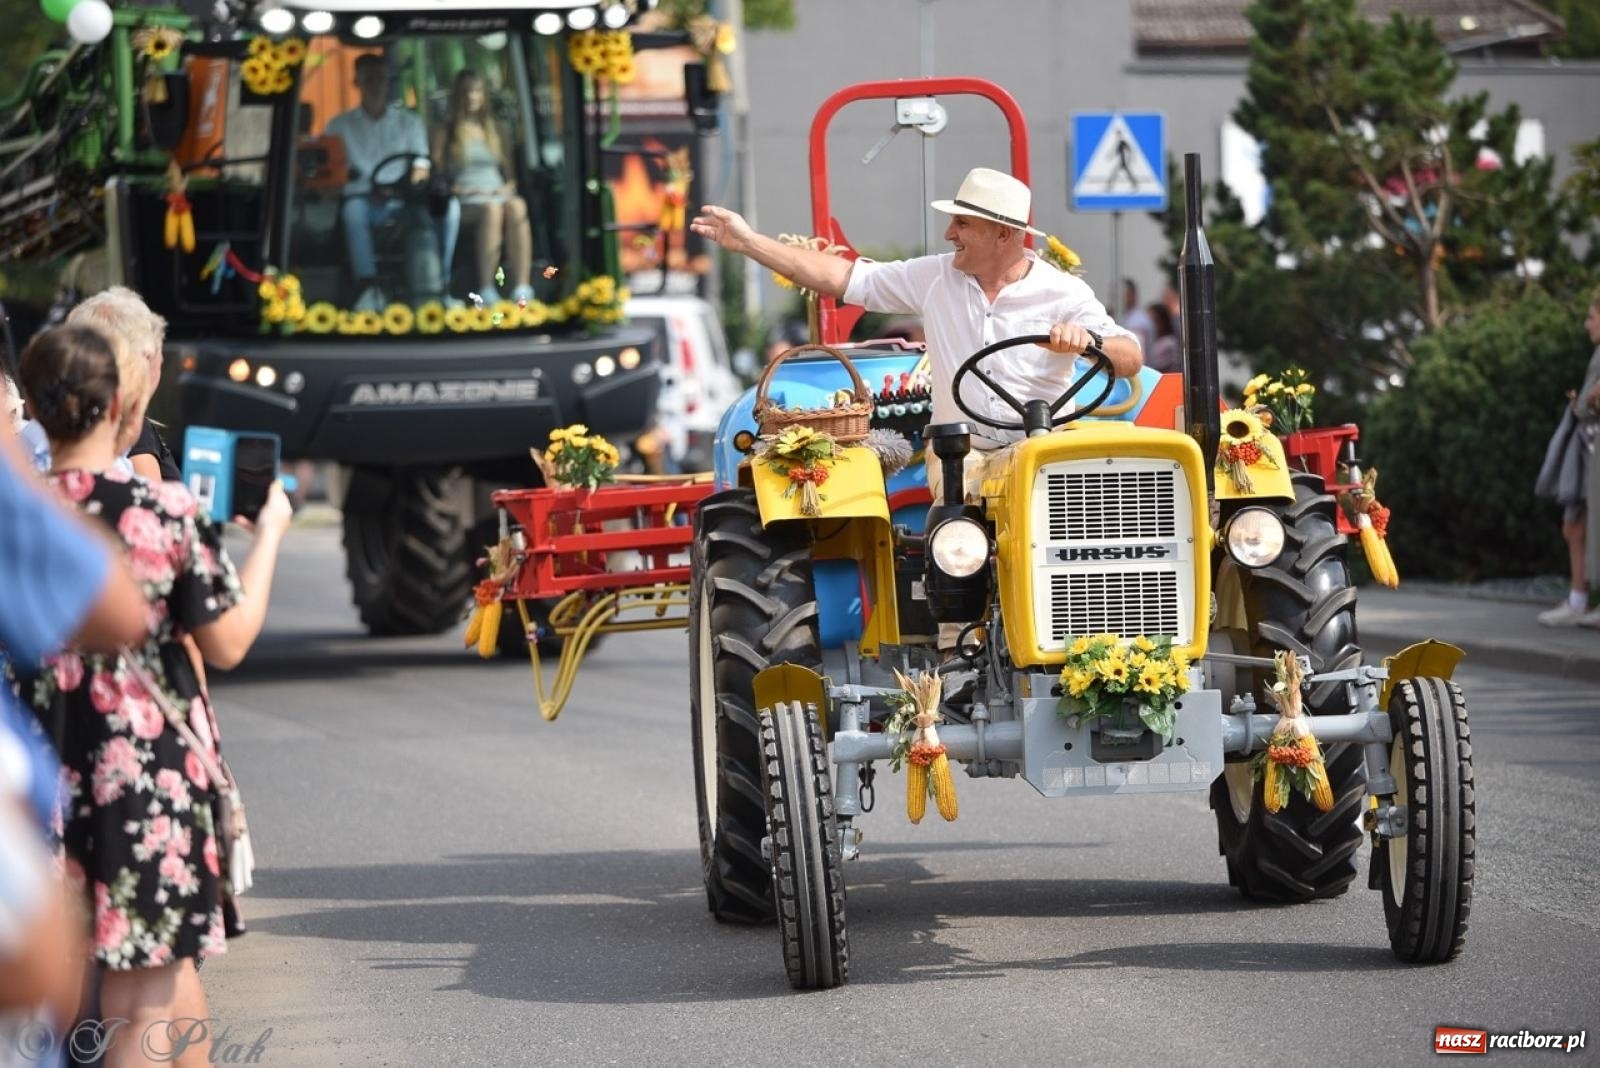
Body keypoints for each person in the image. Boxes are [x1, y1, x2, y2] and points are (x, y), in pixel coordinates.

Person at [694, 166, 1142, 653]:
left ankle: (1091, 638)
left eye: (962, 223)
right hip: (966, 450)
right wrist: (749, 242)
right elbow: (842, 277)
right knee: (961, 519)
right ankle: (960, 649)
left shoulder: (1063, 293)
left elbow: (1130, 356)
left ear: (1003, 233)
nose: (950, 234)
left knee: (1086, 518)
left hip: (1043, 448)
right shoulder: (935, 277)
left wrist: (1089, 341)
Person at [15, 324, 293, 1065]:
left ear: (34, 411)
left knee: (69, 985)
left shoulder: (19, 518)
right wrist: (269, 533)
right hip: (143, 779)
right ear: (121, 409)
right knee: (148, 992)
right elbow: (228, 642)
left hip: (38, 778)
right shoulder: (158, 513)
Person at [327, 53, 460, 312]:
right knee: (352, 212)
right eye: (369, 79)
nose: (376, 85)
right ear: (357, 82)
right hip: (363, 199)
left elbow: (421, 165)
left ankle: (440, 285)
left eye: (381, 78)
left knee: (449, 208)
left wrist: (409, 186)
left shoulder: (409, 123)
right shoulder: (339, 126)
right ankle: (369, 288)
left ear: (388, 82)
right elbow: (331, 168)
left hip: (405, 200)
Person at [433, 69, 534, 305]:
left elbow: (510, 177)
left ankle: (522, 286)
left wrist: (505, 190)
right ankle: (487, 287)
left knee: (518, 206)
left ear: (484, 95)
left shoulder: (497, 130)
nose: (471, 97)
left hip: (497, 192)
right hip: (466, 198)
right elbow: (438, 179)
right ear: (457, 96)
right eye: (465, 92)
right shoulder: (445, 132)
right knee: (491, 209)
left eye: (476, 91)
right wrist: (466, 191)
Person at [66, 286, 180, 482]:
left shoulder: (65, 419)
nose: (160, 360)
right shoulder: (132, 430)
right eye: (156, 347)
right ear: (143, 357)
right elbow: (149, 497)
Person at [1537, 289, 1600, 628]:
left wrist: (1587, 403)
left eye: (1592, 317)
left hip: (1591, 450)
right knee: (1575, 526)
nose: (1587, 324)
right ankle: (1578, 599)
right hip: (1588, 451)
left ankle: (1579, 600)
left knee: (1578, 526)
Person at [1145, 301, 1182, 374]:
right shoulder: (1152, 341)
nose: (1150, 325)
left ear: (1163, 321)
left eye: (1154, 320)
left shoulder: (1169, 343)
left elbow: (1153, 365)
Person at [1120, 278, 1155, 355]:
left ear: (1131, 295)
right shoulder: (1124, 316)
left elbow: (1137, 352)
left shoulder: (1139, 320)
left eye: (1118, 294)